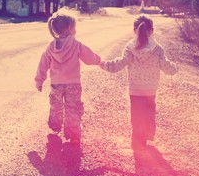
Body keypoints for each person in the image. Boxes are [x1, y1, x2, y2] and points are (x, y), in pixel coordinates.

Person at [100, 15, 178, 150]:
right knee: (149, 113)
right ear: (152, 30)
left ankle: (137, 140)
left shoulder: (130, 47)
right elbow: (167, 67)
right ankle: (147, 135)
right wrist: (175, 68)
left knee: (136, 115)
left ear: (134, 30)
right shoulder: (157, 48)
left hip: (135, 89)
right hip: (150, 89)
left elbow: (119, 64)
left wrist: (103, 64)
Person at [35, 12, 101, 150]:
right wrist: (99, 60)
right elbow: (89, 57)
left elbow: (43, 63)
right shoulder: (76, 44)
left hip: (56, 83)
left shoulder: (51, 46)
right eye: (75, 26)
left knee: (56, 105)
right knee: (72, 107)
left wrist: (39, 80)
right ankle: (73, 134)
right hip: (73, 83)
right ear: (69, 28)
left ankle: (55, 126)